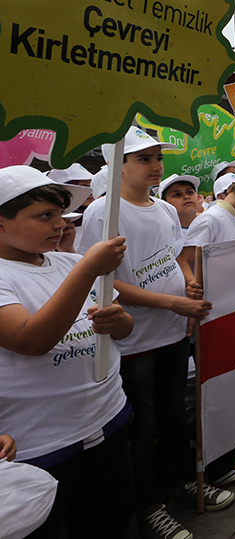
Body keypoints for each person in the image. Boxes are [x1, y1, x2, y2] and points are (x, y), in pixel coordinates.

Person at [79, 129, 235, 535]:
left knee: (171, 413)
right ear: (120, 165)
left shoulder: (164, 210)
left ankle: (181, 481)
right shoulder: (104, 212)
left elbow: (174, 255)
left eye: (157, 158)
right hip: (136, 341)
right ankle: (148, 504)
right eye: (145, 159)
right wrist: (172, 303)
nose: (156, 166)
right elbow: (105, 281)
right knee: (141, 424)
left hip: (173, 333)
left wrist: (187, 281)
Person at [0, 166, 134, 538]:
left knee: (109, 520)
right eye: (45, 215)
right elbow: (30, 340)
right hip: (40, 442)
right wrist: (90, 266)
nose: (60, 224)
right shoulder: (75, 267)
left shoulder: (70, 262)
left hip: (107, 419)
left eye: (61, 213)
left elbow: (124, 329)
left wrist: (117, 321)